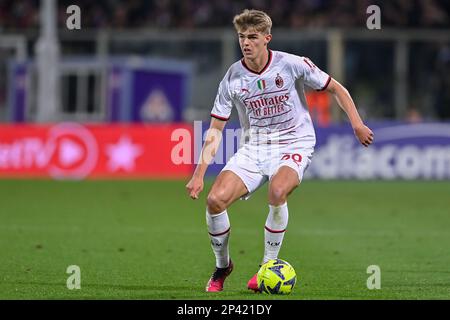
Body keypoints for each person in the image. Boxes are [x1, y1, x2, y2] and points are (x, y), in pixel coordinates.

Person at [186, 9, 374, 293]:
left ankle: (266, 267)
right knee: (214, 201)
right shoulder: (233, 78)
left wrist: (357, 124)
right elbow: (215, 130)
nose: (245, 43)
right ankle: (222, 266)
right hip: (254, 148)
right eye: (241, 37)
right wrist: (199, 174)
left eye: (252, 37)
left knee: (277, 191)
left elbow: (337, 88)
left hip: (294, 142)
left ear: (266, 39)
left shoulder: (291, 64)